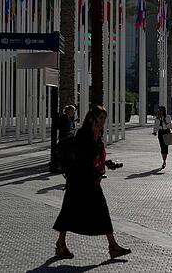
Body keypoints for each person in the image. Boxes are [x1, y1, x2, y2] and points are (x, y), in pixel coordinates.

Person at [53, 105, 131, 260]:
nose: (102, 122)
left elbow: (94, 157)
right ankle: (62, 244)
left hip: (90, 180)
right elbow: (85, 157)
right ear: (91, 118)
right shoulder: (83, 134)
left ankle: (112, 245)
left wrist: (106, 163)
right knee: (70, 212)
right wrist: (95, 152)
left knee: (97, 212)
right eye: (100, 118)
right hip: (80, 180)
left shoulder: (96, 133)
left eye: (104, 119)